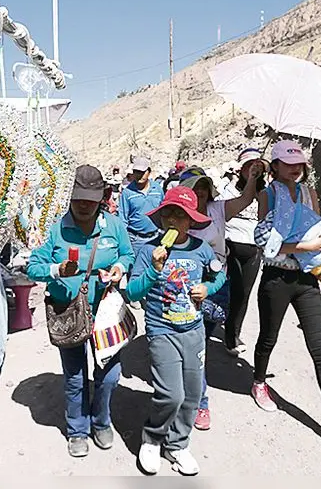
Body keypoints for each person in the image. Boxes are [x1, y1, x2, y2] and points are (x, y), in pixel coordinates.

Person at [250, 140, 321, 448]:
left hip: (306, 279)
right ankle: (259, 382)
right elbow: (265, 244)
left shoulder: (309, 194)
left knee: (320, 346)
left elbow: (317, 234)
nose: (295, 166)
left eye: (298, 161)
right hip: (276, 277)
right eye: (288, 162)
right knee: (268, 337)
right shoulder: (268, 195)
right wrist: (303, 247)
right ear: (274, 165)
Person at [26, 165, 136, 456]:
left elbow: (128, 253)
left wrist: (119, 268)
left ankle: (102, 421)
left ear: (101, 197)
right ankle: (77, 429)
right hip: (68, 314)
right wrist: (57, 269)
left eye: (91, 198)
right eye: (79, 198)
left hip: (105, 315)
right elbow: (33, 266)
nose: (85, 205)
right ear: (70, 198)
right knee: (74, 376)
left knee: (109, 376)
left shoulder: (113, 226)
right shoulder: (56, 230)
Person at [125, 186, 224, 476]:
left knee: (192, 394)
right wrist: (155, 269)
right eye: (168, 212)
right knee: (171, 394)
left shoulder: (201, 249)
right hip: (162, 329)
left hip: (193, 330)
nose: (172, 219)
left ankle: (178, 444)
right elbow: (132, 292)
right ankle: (153, 438)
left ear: (191, 221)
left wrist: (208, 288)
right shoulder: (148, 250)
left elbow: (219, 275)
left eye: (180, 215)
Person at [179, 164, 263, 431]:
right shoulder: (177, 214)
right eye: (194, 189)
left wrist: (251, 178)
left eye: (203, 188)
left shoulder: (218, 210)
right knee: (189, 345)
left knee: (199, 345)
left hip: (214, 287)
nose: (199, 193)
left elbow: (246, 200)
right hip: (184, 288)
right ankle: (192, 397)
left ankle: (196, 395)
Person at [221, 148, 268, 356]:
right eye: (249, 166)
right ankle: (216, 327)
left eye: (257, 166)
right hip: (230, 246)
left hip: (253, 249)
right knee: (228, 291)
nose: (253, 170)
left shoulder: (267, 193)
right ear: (241, 169)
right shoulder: (228, 190)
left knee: (243, 295)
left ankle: (233, 334)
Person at [118, 156, 165, 250]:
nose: (139, 175)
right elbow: (123, 218)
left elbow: (163, 209)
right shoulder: (127, 193)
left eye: (142, 172)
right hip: (135, 240)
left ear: (149, 172)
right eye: (136, 172)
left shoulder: (157, 189)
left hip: (156, 238)